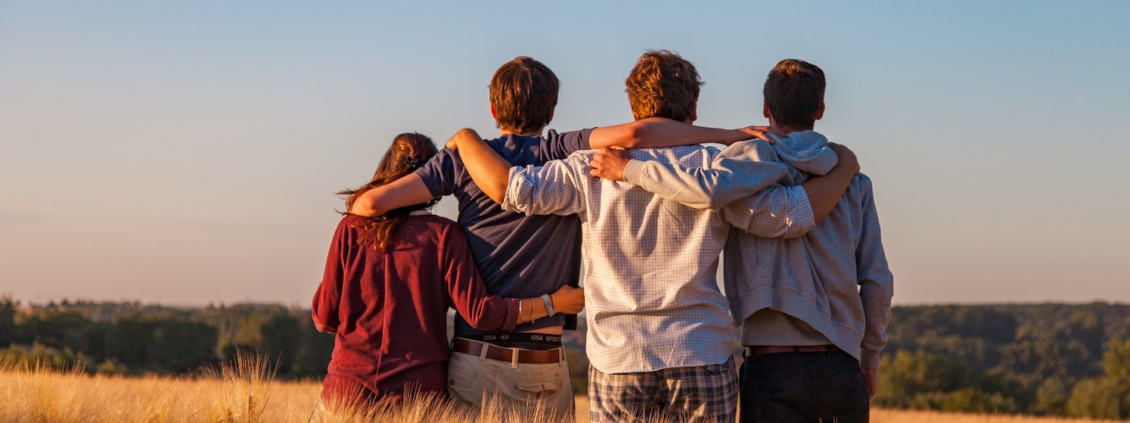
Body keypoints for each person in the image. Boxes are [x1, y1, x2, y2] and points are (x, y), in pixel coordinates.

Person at [346, 56, 770, 417]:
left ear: (492, 108)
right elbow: (638, 135)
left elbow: (368, 206)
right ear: (551, 111)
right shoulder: (563, 150)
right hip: (553, 361)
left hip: (482, 357)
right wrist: (727, 135)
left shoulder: (465, 161)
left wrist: (460, 146)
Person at [450, 50, 858, 423]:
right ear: (694, 108)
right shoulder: (715, 169)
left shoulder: (589, 168)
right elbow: (784, 218)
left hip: (619, 357)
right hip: (699, 350)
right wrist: (843, 168)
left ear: (633, 109)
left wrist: (464, 139)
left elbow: (516, 191)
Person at [589, 59, 894, 423]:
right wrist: (870, 357)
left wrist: (630, 170)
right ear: (821, 110)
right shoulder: (854, 183)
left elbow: (710, 190)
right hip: (841, 364)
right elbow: (877, 281)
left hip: (771, 364)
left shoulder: (740, 170)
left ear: (766, 108)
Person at [311, 132, 585, 409]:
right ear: (433, 179)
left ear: (386, 169)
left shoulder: (351, 229)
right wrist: (553, 303)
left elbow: (324, 319)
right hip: (417, 398)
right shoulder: (444, 236)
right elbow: (480, 313)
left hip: (346, 394)